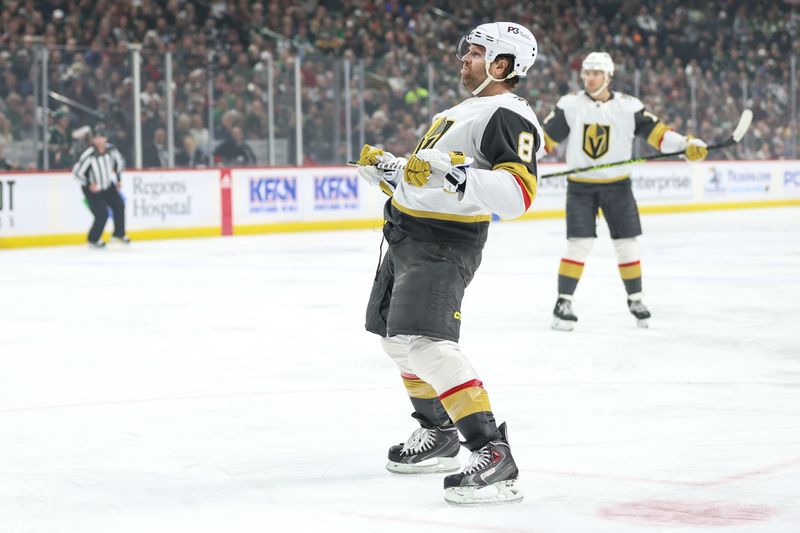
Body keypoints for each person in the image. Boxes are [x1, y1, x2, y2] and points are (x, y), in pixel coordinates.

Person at [355, 21, 542, 505]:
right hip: (407, 234)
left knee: (425, 345)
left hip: (443, 242)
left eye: (476, 53)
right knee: (397, 343)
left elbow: (518, 194)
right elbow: (433, 177)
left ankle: (492, 452)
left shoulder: (507, 113)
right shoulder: (461, 110)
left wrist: (452, 174)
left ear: (502, 65)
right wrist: (393, 172)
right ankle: (438, 433)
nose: (464, 58)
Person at [542, 52, 708, 330]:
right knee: (579, 244)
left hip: (618, 186)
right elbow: (545, 139)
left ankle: (636, 299)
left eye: (596, 73)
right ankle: (563, 302)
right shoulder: (570, 105)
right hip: (580, 188)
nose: (589, 78)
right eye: (586, 73)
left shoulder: (628, 107)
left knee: (627, 245)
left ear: (608, 76)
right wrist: (521, 160)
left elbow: (658, 134)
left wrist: (685, 145)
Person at [72, 124, 130, 248]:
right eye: (97, 137)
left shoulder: (111, 150)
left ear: (106, 138)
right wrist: (89, 183)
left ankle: (118, 234)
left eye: (102, 137)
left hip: (107, 185)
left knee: (119, 205)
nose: (99, 140)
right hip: (92, 189)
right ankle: (93, 239)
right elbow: (77, 172)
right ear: (93, 139)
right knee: (102, 214)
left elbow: (120, 163)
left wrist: (119, 179)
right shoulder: (89, 154)